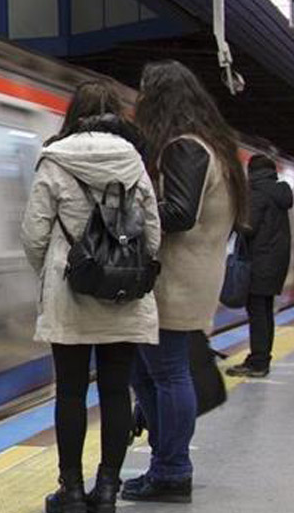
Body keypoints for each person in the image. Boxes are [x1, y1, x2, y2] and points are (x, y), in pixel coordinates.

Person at [21, 81, 161, 513]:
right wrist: (125, 267)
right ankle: (106, 490)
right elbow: (154, 235)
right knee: (117, 391)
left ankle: (72, 491)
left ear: (73, 114)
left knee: (71, 392)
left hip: (70, 294)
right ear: (117, 115)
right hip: (122, 295)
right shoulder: (134, 162)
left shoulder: (55, 160)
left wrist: (56, 271)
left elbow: (34, 235)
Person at [124, 60, 249, 504]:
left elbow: (178, 213)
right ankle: (166, 463)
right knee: (148, 371)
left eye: (144, 94)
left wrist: (130, 214)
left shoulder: (185, 148)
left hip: (176, 280)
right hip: (192, 275)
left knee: (166, 372)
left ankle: (173, 470)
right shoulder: (213, 146)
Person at [226, 154, 292, 378]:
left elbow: (248, 227)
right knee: (264, 312)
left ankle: (258, 363)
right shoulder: (279, 192)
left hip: (259, 263)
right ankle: (261, 358)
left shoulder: (257, 192)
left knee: (257, 313)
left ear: (251, 171)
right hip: (274, 263)